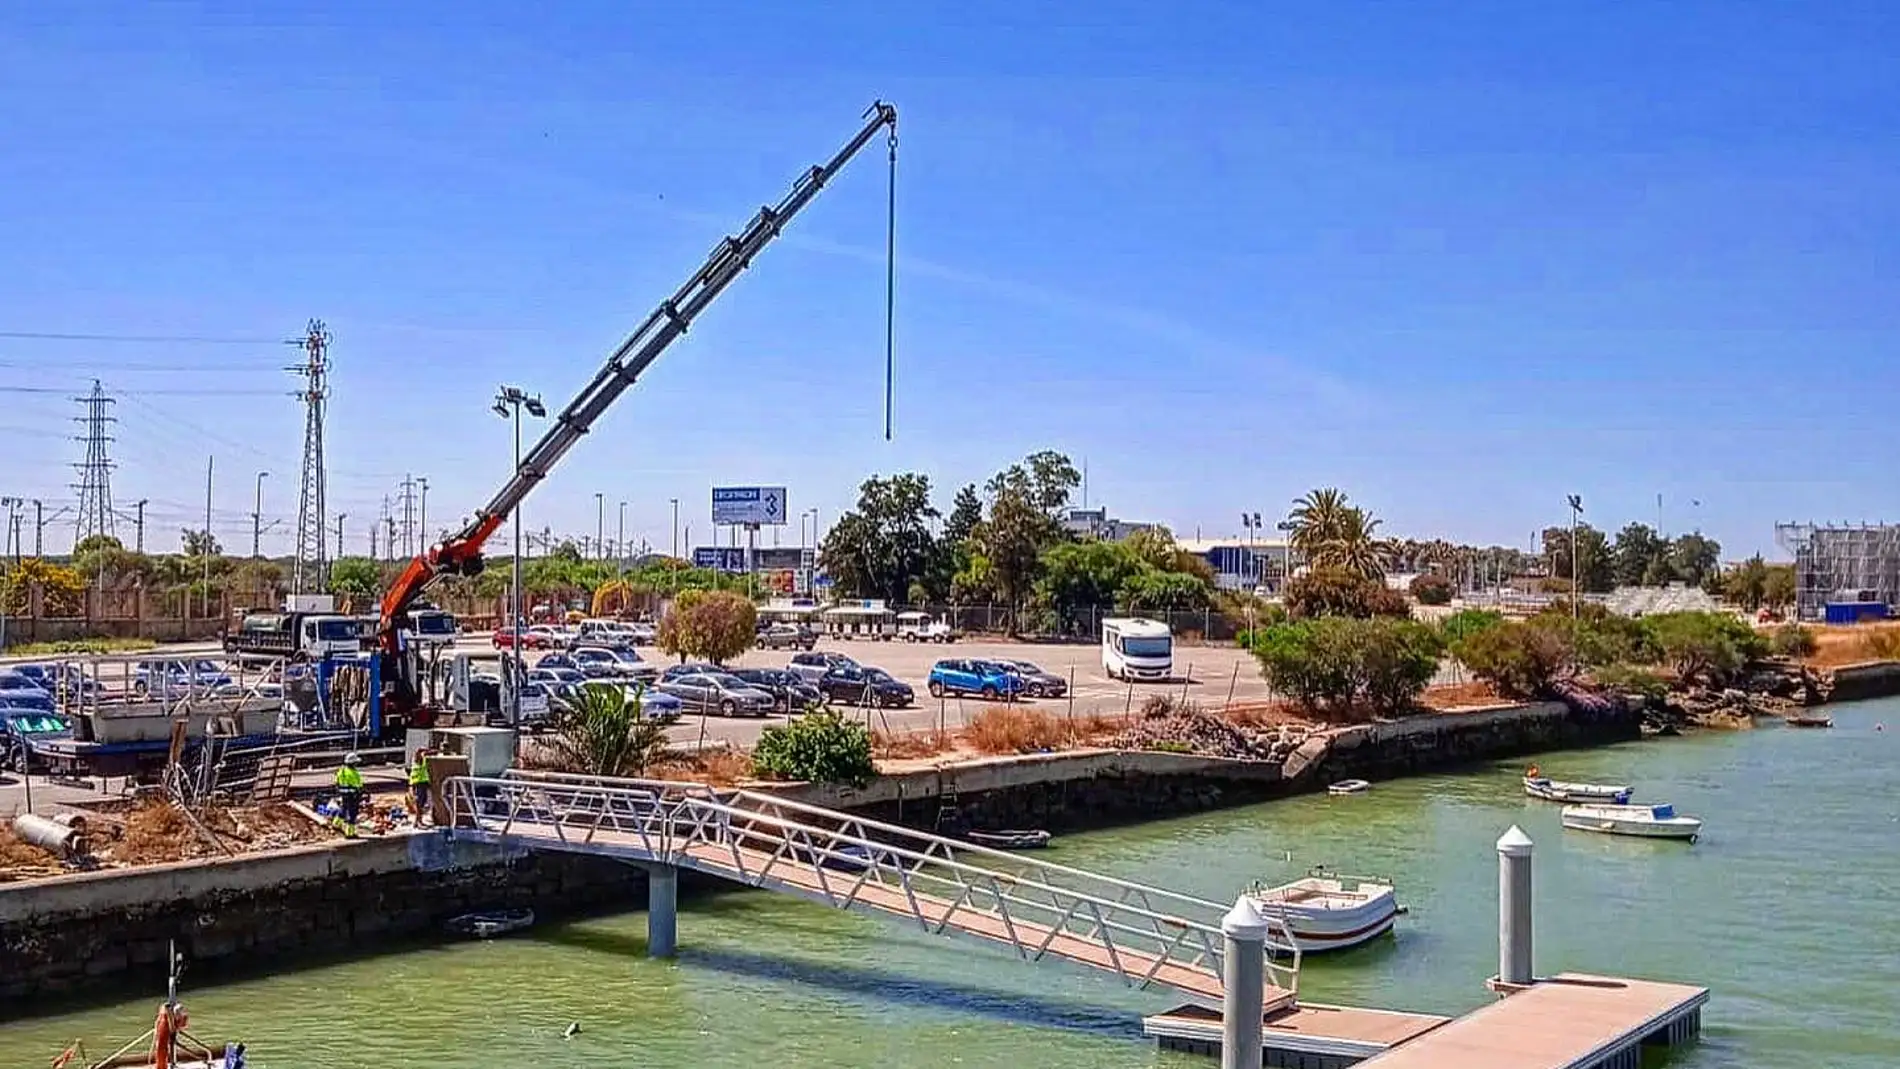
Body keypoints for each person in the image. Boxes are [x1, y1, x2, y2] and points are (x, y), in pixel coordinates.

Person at [334, 752, 365, 837]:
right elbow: (358, 786)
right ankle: (350, 833)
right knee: (352, 813)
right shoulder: (353, 773)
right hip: (352, 795)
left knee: (344, 808)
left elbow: (336, 782)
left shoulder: (342, 771)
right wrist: (361, 793)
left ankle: (336, 824)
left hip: (344, 794)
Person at [407, 747, 433, 826]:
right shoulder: (418, 760)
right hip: (417, 783)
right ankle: (419, 822)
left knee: (421, 803)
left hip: (422, 783)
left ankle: (417, 821)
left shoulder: (421, 760)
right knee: (419, 803)